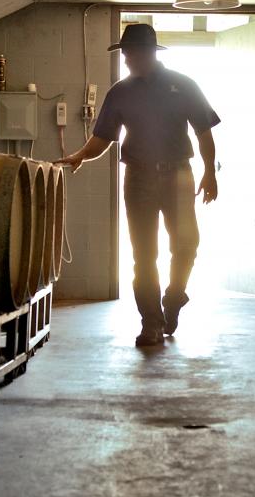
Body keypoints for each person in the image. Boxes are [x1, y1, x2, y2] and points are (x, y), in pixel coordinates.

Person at [56, 23, 220, 347]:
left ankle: (173, 297)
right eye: (125, 53)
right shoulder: (120, 92)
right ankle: (151, 323)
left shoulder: (183, 85)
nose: (127, 59)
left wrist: (209, 172)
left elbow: (204, 132)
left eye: (131, 53)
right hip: (138, 177)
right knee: (144, 253)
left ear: (148, 53)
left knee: (186, 244)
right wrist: (78, 156)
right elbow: (103, 138)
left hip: (179, 175)